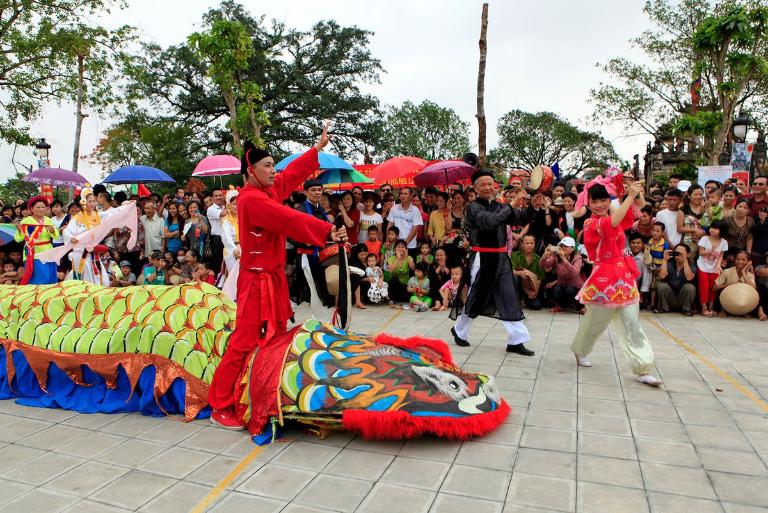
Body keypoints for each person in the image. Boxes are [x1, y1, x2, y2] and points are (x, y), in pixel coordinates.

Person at [208, 123, 347, 430]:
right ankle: (219, 404)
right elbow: (287, 219)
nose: (274, 171)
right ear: (250, 170)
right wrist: (326, 231)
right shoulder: (250, 199)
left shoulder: (269, 189)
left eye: (273, 165)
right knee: (244, 342)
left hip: (273, 279)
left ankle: (262, 392)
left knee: (275, 336)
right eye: (267, 166)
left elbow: (293, 174)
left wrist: (316, 149)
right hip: (256, 281)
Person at [570, 182, 662, 386]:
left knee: (632, 323)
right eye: (595, 201)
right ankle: (581, 350)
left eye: (604, 200)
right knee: (596, 322)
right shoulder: (590, 224)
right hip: (603, 277)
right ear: (588, 203)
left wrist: (635, 193)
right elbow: (613, 222)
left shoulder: (615, 214)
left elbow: (638, 211)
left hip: (624, 275)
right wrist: (628, 197)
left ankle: (642, 368)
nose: (600, 205)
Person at [449, 168, 535, 355]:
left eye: (490, 184)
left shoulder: (498, 205)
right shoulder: (473, 208)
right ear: (475, 187)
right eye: (483, 185)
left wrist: (534, 207)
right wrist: (511, 203)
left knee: (508, 296)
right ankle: (459, 330)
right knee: (477, 297)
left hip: (501, 257)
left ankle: (516, 340)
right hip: (482, 257)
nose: (488, 187)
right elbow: (489, 222)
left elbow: (519, 218)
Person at [63, 188, 110, 286]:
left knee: (98, 276)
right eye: (90, 201)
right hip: (80, 253)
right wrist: (70, 237)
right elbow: (67, 231)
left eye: (94, 201)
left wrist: (126, 206)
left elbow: (113, 213)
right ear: (83, 203)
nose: (93, 204)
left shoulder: (97, 215)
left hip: (93, 252)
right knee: (83, 278)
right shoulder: (77, 218)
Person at [13, 196, 59, 284]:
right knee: (41, 276)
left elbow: (55, 236)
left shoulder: (48, 220)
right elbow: (18, 239)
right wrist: (19, 230)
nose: (41, 209)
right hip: (33, 252)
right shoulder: (26, 221)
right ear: (31, 209)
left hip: (48, 250)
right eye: (38, 207)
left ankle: (48, 296)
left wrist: (53, 231)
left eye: (43, 207)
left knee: (50, 276)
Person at [542, 237, 584, 312]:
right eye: (562, 246)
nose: (563, 248)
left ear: (572, 249)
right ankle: (562, 306)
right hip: (562, 285)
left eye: (566, 246)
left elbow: (574, 272)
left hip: (576, 287)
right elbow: (543, 265)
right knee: (556, 290)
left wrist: (563, 258)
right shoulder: (556, 257)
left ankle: (580, 307)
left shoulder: (578, 258)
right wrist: (545, 255)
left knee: (569, 290)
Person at [697, 220, 728, 317]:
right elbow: (701, 252)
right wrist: (710, 251)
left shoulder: (724, 242)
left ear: (721, 230)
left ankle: (711, 307)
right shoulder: (704, 239)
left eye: (716, 228)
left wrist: (718, 266)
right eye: (712, 227)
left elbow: (721, 256)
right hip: (702, 266)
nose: (712, 230)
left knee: (713, 288)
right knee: (704, 286)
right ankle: (704, 307)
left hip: (714, 268)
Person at [714, 250, 757, 317]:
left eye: (743, 260)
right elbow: (714, 288)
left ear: (748, 262)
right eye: (737, 259)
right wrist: (728, 285)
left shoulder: (750, 275)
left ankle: (745, 311)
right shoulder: (727, 271)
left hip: (743, 302)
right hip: (727, 301)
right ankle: (722, 310)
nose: (740, 261)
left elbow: (754, 288)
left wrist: (743, 272)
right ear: (734, 260)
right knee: (722, 290)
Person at [510, 234, 545, 310]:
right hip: (518, 287)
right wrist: (519, 273)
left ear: (534, 244)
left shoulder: (539, 259)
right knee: (514, 276)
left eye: (531, 243)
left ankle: (525, 300)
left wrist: (534, 292)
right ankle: (516, 301)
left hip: (530, 287)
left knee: (536, 305)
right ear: (522, 244)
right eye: (527, 243)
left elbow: (539, 279)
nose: (529, 245)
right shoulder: (516, 256)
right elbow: (510, 270)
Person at [388, 187, 423, 258]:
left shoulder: (415, 210)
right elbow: (390, 225)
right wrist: (387, 240)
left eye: (405, 194)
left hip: (410, 245)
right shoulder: (394, 208)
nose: (402, 196)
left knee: (409, 267)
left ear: (411, 196)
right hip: (395, 244)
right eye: (401, 194)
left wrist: (405, 243)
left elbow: (415, 229)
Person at [221, 189, 241, 300]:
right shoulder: (226, 220)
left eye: (238, 203)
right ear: (228, 205)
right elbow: (226, 238)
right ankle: (233, 298)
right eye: (234, 204)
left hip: (244, 247)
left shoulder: (243, 217)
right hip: (231, 249)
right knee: (234, 274)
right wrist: (234, 249)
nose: (236, 206)